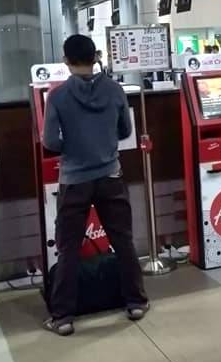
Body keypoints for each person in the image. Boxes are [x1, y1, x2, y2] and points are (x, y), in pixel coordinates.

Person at [41, 34, 148, 336]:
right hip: (110, 175)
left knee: (69, 248)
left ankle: (63, 317)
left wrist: (74, 147)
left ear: (66, 60)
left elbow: (50, 142)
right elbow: (125, 130)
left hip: (74, 180)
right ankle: (136, 302)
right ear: (96, 56)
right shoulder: (115, 90)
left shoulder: (57, 96)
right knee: (123, 240)